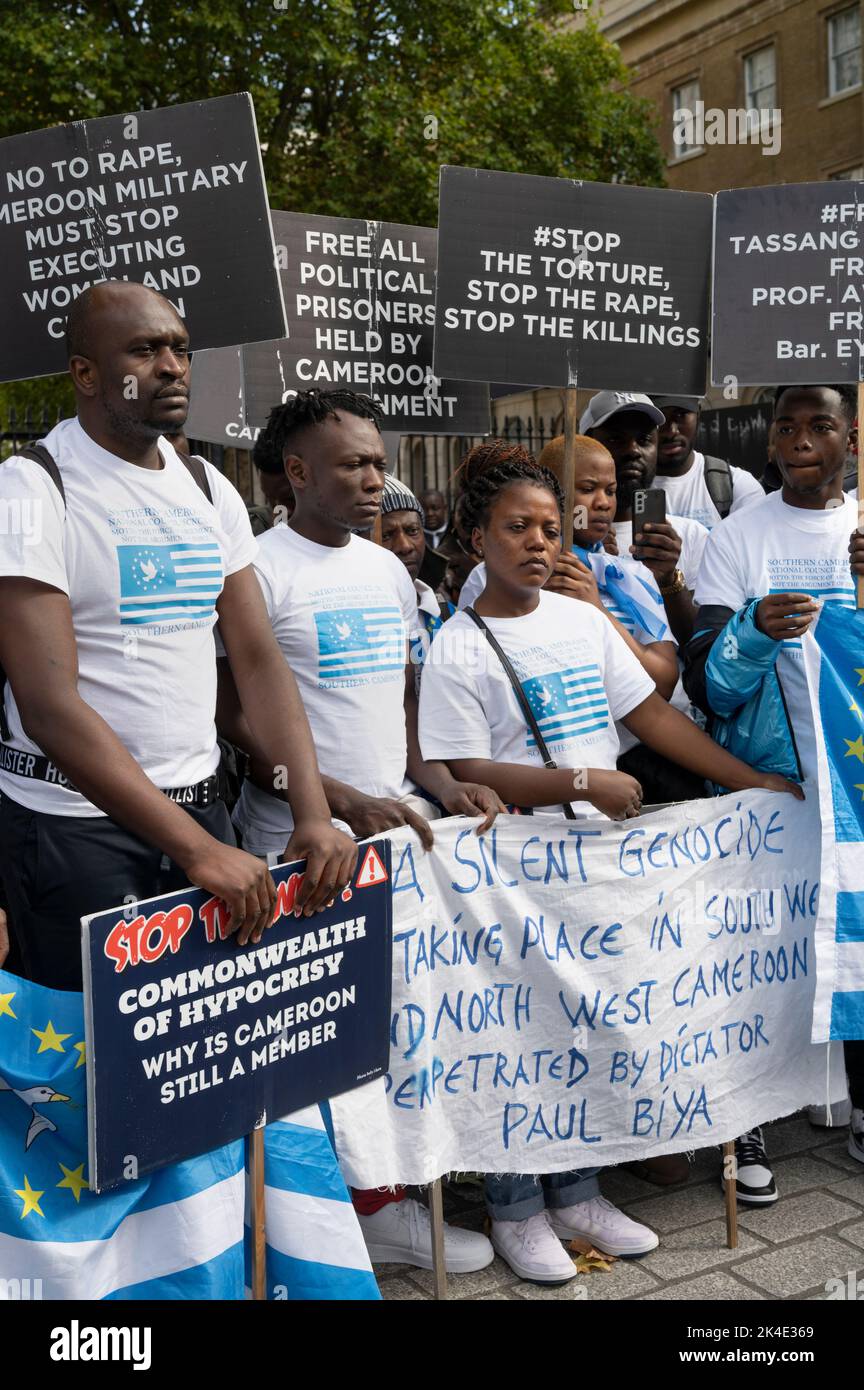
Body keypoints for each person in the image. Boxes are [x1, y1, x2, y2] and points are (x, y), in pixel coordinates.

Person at [418, 459, 802, 1281]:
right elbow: (459, 765)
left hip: (596, 870)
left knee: (585, 1027)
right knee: (518, 1038)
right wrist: (580, 782)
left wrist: (751, 782)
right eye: (517, 528)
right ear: (477, 537)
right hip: (510, 878)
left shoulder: (581, 622)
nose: (537, 543)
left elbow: (652, 716)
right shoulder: (456, 646)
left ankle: (580, 1192)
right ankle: (516, 1208)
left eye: (550, 530)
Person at [213, 387, 504, 1274]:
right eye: (356, 465)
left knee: (387, 1034)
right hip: (299, 852)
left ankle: (383, 1206)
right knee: (308, 1049)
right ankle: (325, 1226)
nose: (379, 479)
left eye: (380, 462)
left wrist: (441, 782)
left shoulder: (386, 570)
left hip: (391, 845)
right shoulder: (256, 571)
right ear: (297, 474)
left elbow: (404, 700)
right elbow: (231, 720)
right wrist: (333, 801)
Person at [0, 282, 357, 993]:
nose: (172, 367)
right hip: (76, 833)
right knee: (83, 1076)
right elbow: (48, 705)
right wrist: (198, 852)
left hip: (203, 812)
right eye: (146, 350)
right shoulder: (31, 489)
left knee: (199, 1059)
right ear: (86, 374)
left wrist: (312, 811)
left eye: (181, 350)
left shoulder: (205, 486)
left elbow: (257, 660)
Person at [686, 382, 863, 1185]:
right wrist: (752, 634)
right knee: (755, 955)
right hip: (773, 788)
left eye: (819, 426)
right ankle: (747, 1122)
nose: (799, 439)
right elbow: (710, 690)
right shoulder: (737, 536)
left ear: (849, 439)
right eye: (785, 426)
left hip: (854, 788)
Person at [651, 394, 764, 530]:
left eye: (681, 415)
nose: (671, 431)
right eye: (660, 419)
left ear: (698, 414)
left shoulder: (739, 487)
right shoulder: (623, 494)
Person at [378, 476, 449, 676]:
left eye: (412, 531)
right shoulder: (357, 618)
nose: (405, 546)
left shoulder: (445, 614)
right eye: (386, 535)